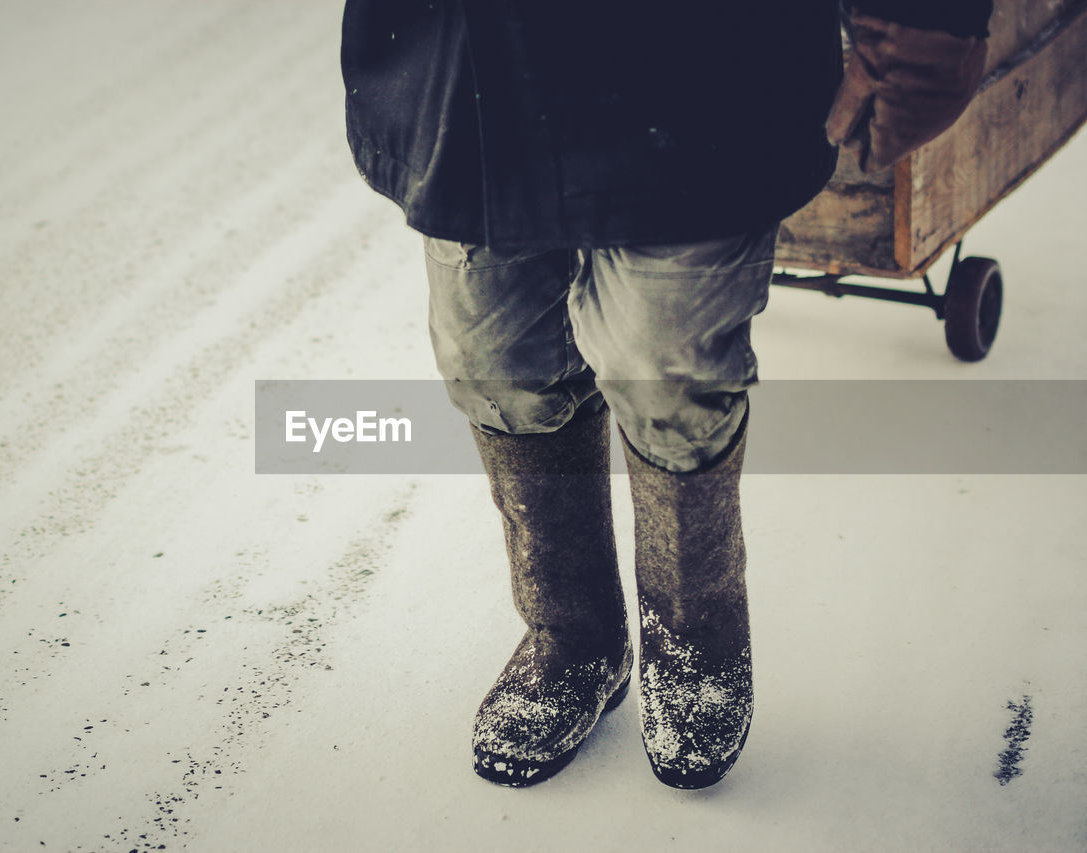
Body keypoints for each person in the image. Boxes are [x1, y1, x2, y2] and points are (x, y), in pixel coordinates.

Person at [340, 0, 992, 789]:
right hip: (461, 68)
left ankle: (692, 642)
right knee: (494, 361)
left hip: (700, 70)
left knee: (666, 371)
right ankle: (573, 639)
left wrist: (923, 24)